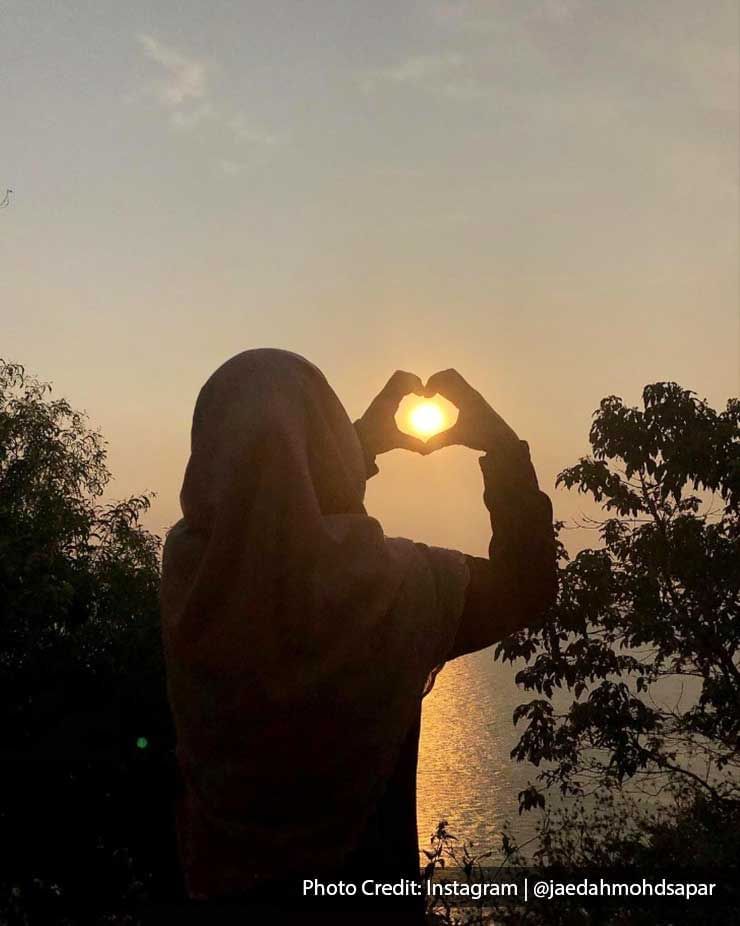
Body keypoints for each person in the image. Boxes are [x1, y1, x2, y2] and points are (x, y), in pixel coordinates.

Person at [158, 349, 557, 923]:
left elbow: (274, 501)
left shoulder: (187, 571)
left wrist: (357, 443)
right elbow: (526, 585)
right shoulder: (389, 590)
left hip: (218, 896)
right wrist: (502, 447)